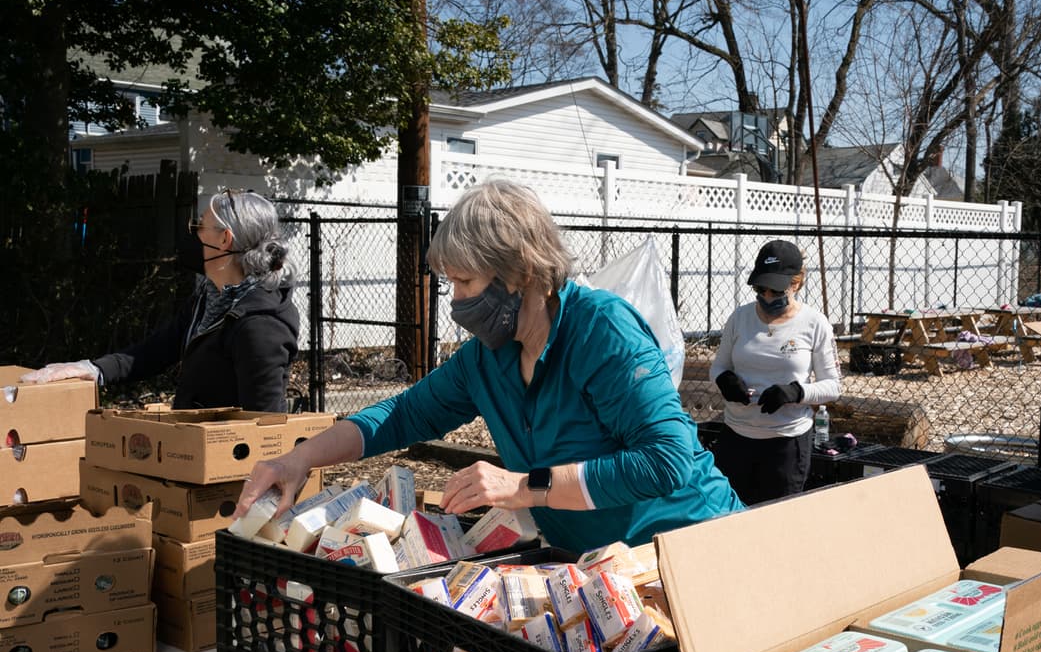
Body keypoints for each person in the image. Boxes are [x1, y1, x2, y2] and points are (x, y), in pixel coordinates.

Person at [232, 179, 743, 555]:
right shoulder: (488, 356)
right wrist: (299, 459)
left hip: (692, 551)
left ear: (521, 270)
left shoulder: (601, 330)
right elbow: (402, 415)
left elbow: (665, 461)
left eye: (466, 282)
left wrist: (524, 487)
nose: (456, 301)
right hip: (597, 570)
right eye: (451, 283)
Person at [21, 188, 299, 412]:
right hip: (193, 451)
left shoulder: (259, 326)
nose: (194, 234)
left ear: (225, 240)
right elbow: (157, 350)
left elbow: (265, 426)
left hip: (226, 462)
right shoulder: (213, 296)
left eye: (200, 225)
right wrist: (92, 369)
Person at [710, 240, 841, 506]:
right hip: (736, 437)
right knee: (728, 516)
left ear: (796, 283)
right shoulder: (739, 318)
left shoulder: (815, 323)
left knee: (776, 520)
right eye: (760, 289)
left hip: (786, 442)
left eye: (776, 290)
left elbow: (833, 386)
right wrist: (725, 381)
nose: (767, 296)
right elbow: (718, 367)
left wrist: (795, 392)